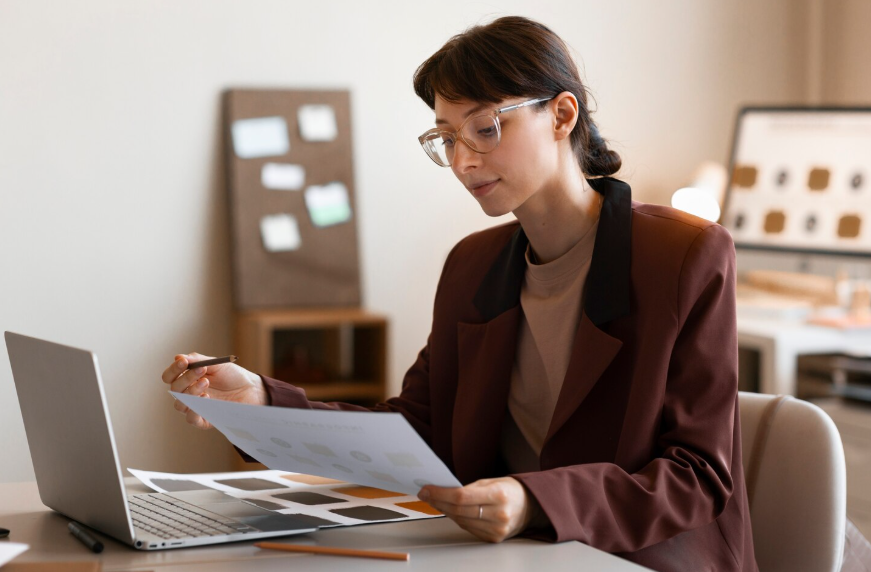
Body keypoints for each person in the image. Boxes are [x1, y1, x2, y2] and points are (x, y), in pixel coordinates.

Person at [162, 16, 756, 571]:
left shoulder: (684, 257)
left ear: (562, 114)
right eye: (446, 137)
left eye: (485, 127)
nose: (463, 160)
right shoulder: (472, 266)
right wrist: (262, 405)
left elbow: (697, 476)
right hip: (506, 558)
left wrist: (534, 500)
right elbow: (413, 432)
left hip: (636, 559)